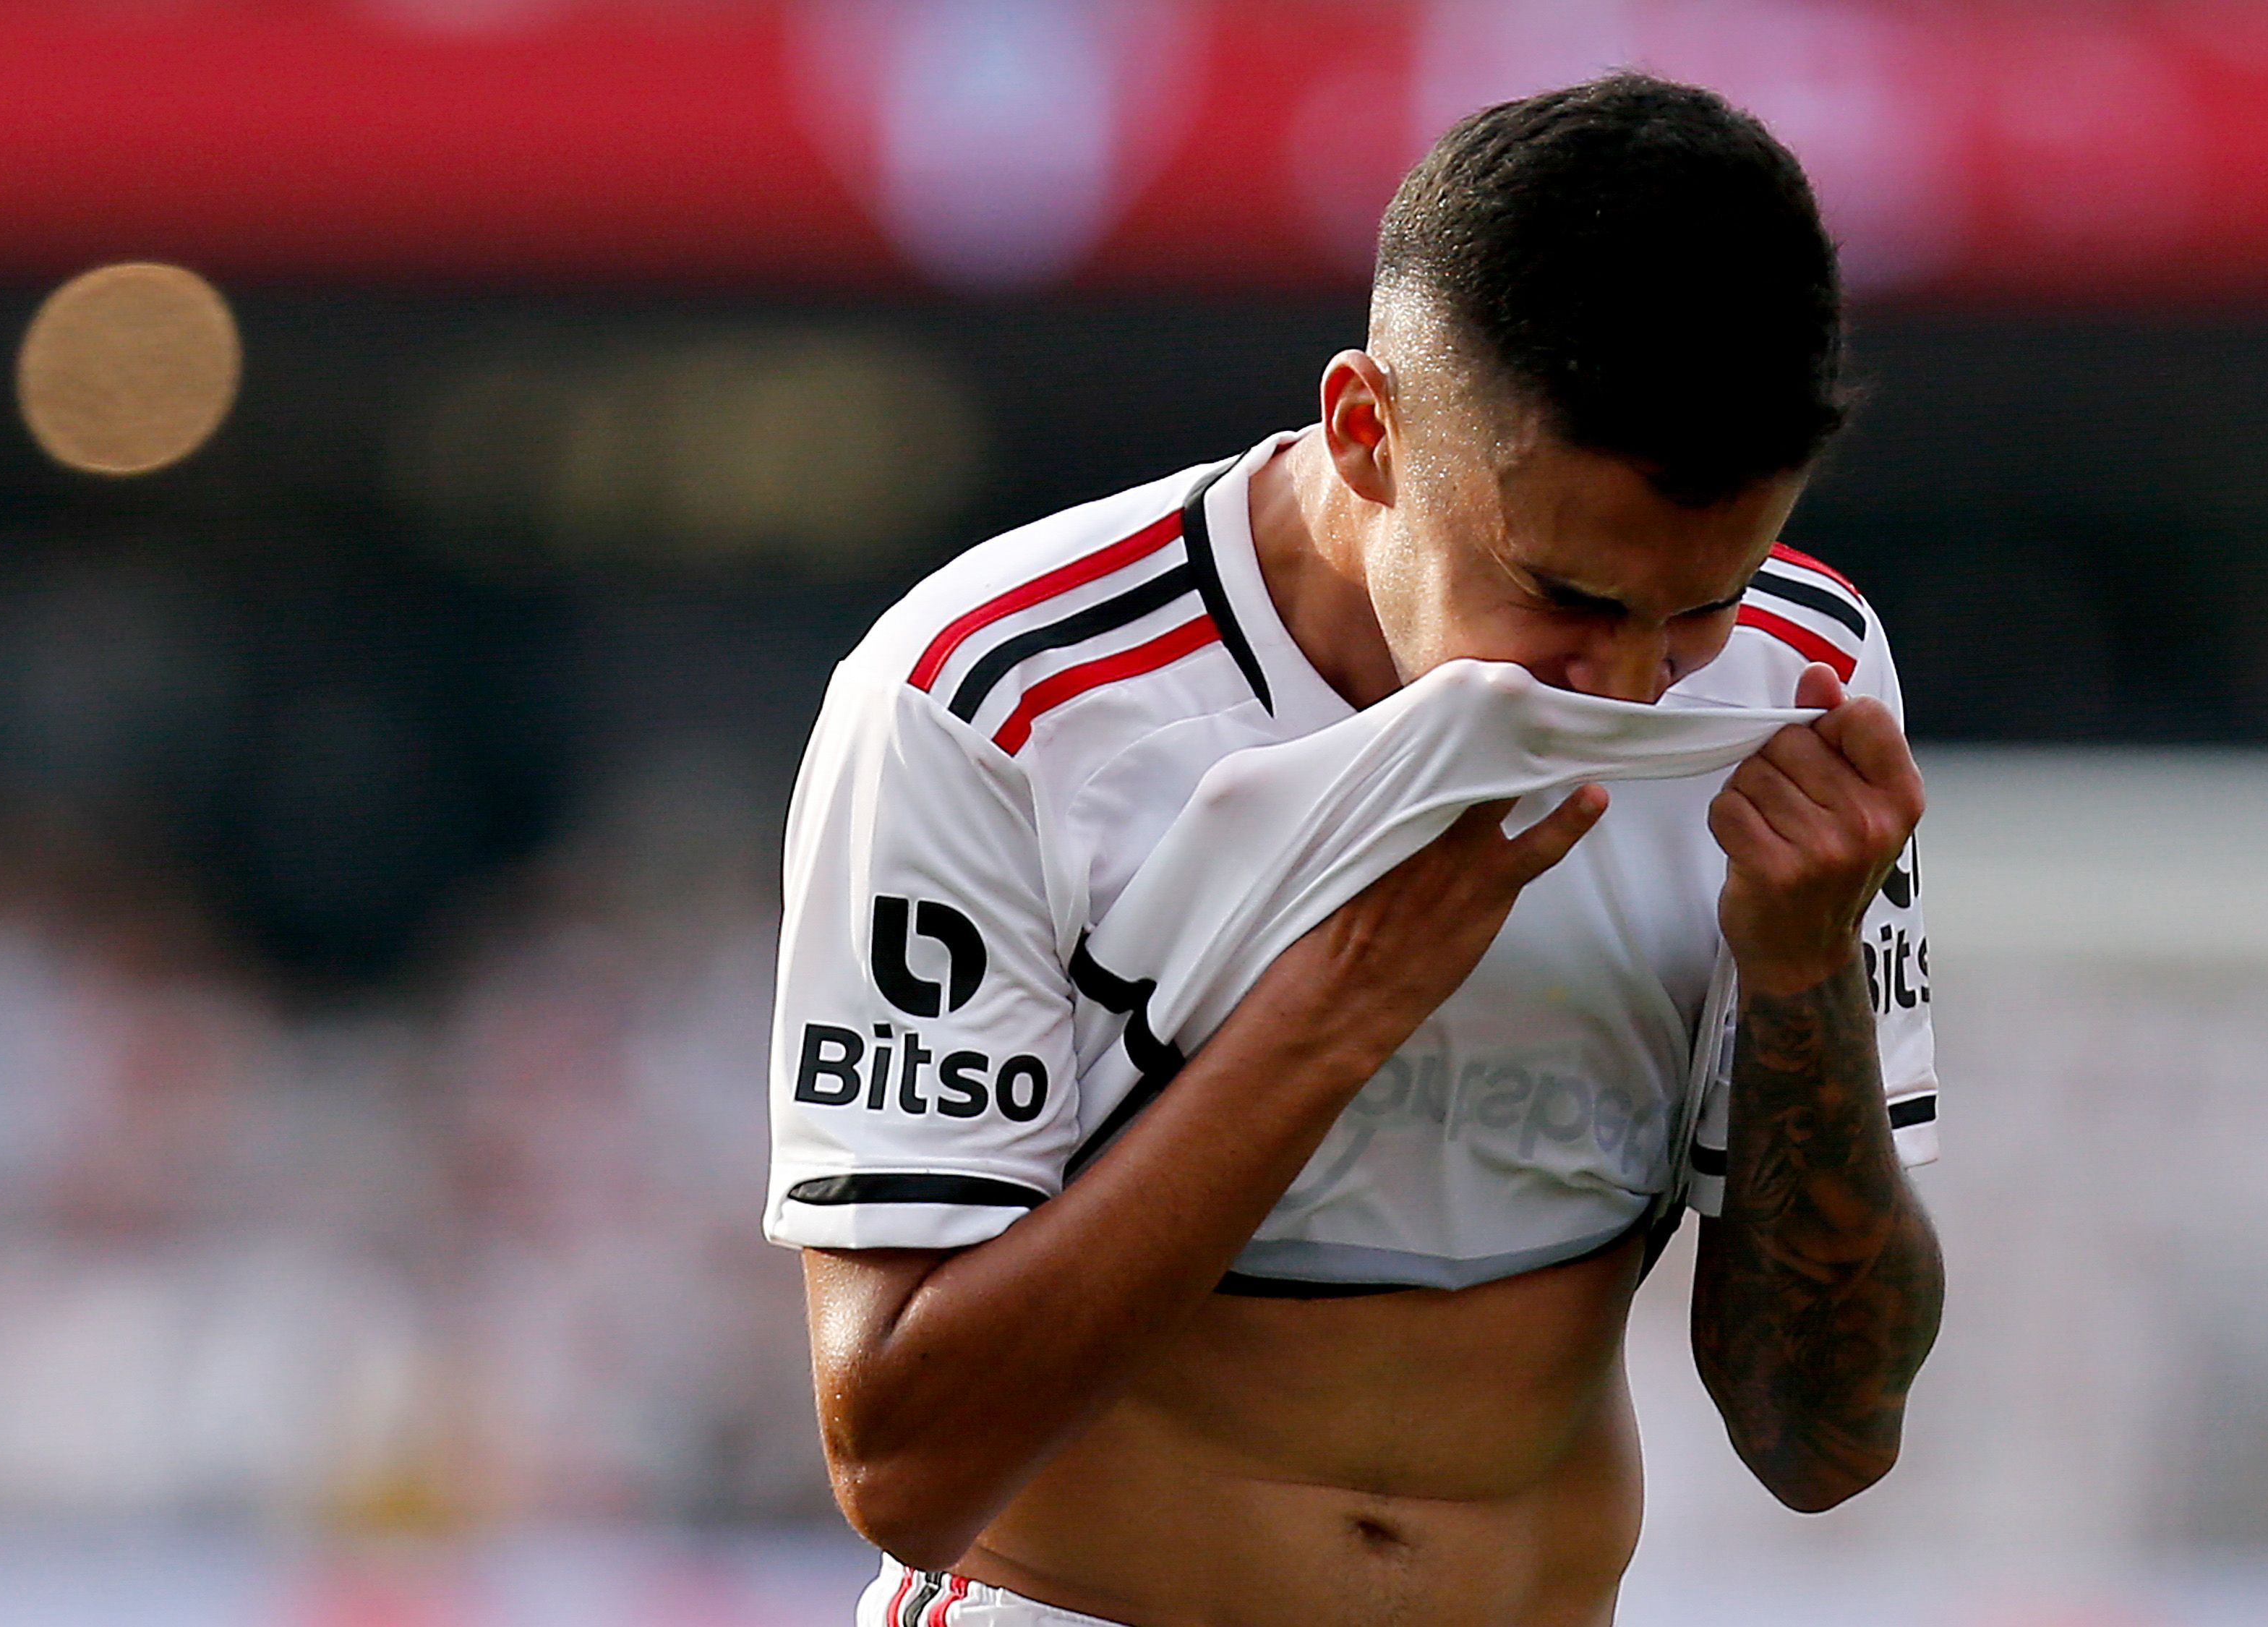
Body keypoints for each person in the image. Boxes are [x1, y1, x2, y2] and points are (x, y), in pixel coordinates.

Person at [766, 73, 1944, 1627]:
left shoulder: (1800, 679)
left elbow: (1826, 1441)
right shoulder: (997, 696)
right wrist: (1331, 1007)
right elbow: (905, 1471)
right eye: (1568, 597)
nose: (1635, 679)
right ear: (1366, 429)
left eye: (1699, 600)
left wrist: (1800, 980)